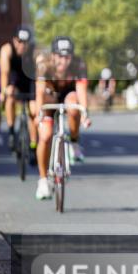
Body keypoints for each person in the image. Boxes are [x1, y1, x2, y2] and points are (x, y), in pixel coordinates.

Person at [34, 36, 91, 200]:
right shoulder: (43, 64)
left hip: (68, 94)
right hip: (49, 96)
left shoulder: (79, 65)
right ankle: (43, 180)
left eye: (67, 57)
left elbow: (81, 91)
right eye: (59, 56)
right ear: (52, 55)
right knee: (44, 136)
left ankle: (73, 143)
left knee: (74, 107)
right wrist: (39, 114)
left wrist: (84, 113)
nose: (63, 61)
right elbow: (39, 92)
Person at [0, 26, 38, 159]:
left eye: (25, 42)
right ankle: (11, 132)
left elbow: (40, 72)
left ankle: (33, 144)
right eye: (19, 41)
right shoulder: (7, 49)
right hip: (14, 80)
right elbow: (4, 73)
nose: (22, 45)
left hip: (30, 81)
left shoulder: (34, 51)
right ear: (14, 40)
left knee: (33, 111)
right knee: (10, 96)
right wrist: (4, 91)